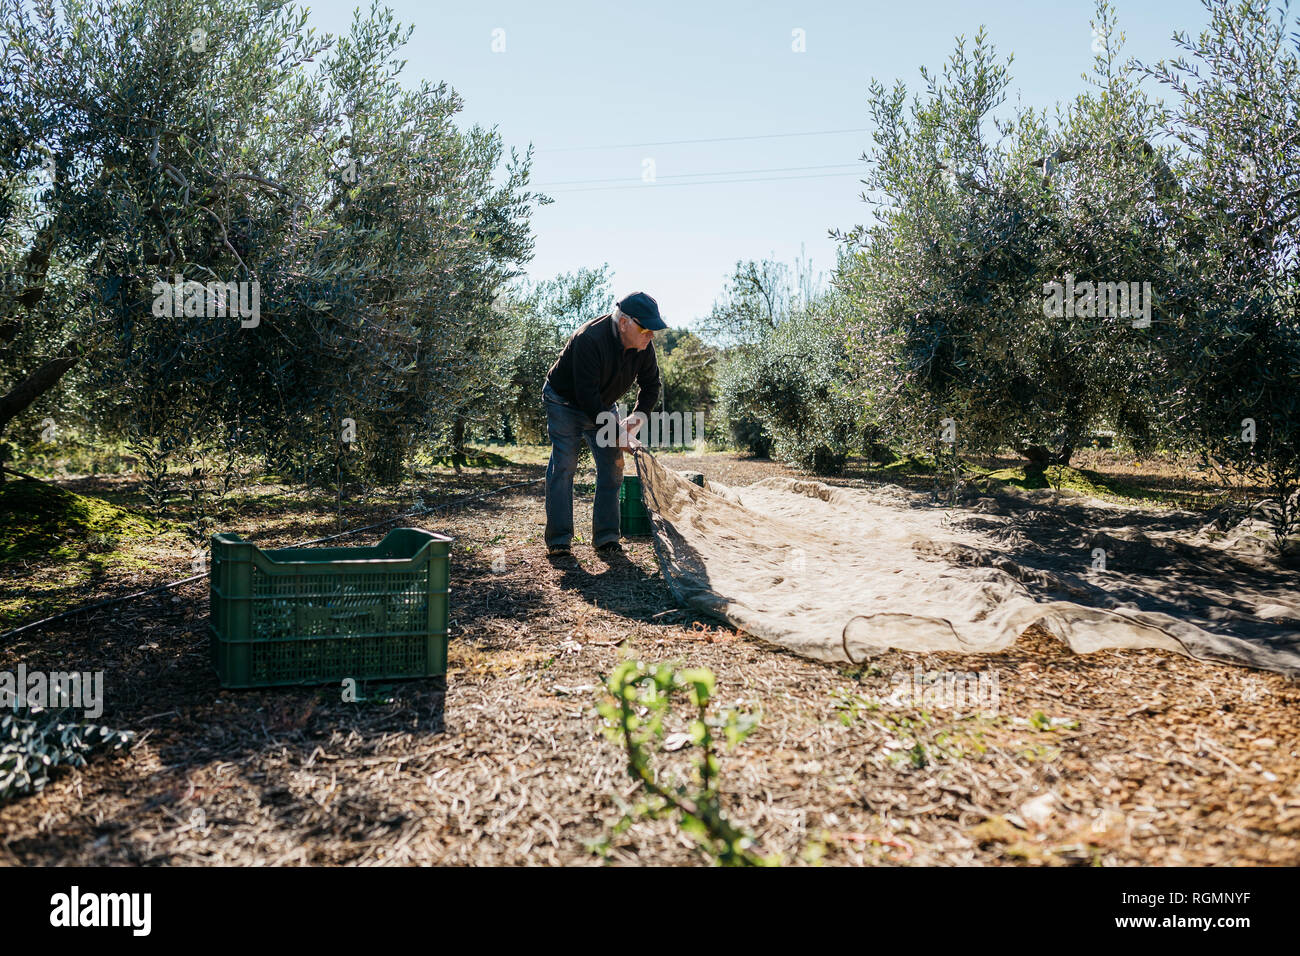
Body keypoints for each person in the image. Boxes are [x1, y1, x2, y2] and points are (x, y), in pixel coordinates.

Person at [541, 291, 666, 557]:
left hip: (601, 404)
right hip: (564, 402)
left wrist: (638, 416)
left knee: (613, 466)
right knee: (565, 464)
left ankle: (607, 538)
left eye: (654, 330)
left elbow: (651, 385)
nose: (651, 335)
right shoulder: (589, 339)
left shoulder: (643, 345)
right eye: (646, 329)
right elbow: (587, 398)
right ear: (624, 323)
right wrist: (618, 433)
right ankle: (559, 540)